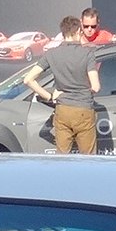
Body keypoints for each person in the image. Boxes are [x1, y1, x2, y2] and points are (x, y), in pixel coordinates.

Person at [26, 15, 101, 154]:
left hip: (62, 110)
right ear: (79, 31)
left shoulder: (52, 54)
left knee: (62, 159)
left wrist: (49, 96)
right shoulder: (87, 54)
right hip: (84, 109)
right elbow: (96, 86)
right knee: (89, 159)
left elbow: (28, 79)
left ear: (63, 33)